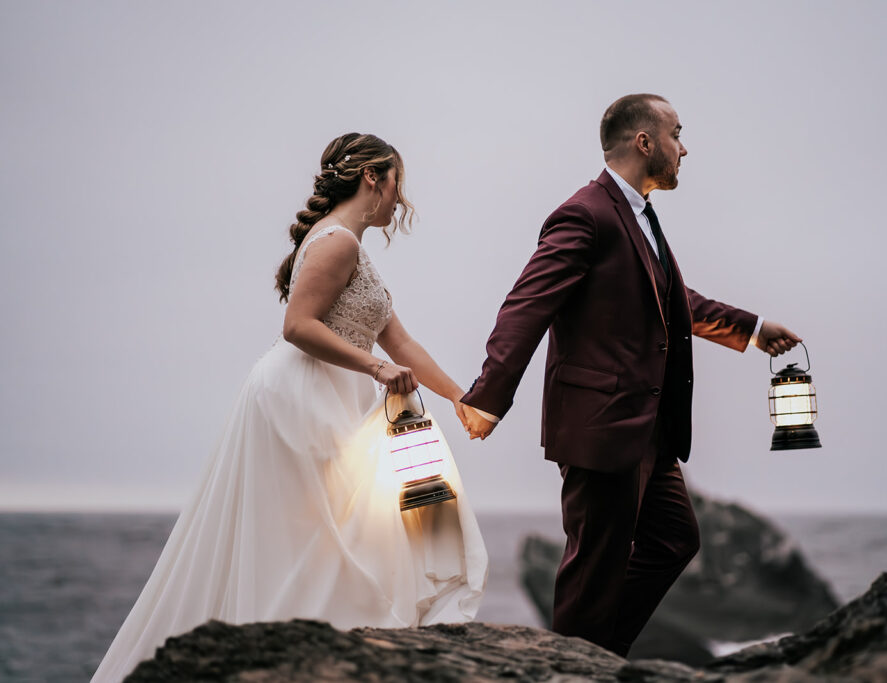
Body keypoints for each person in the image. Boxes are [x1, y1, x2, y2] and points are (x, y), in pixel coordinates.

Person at [92, 133, 487, 682]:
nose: (401, 198)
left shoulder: (352, 246)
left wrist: (461, 398)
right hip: (300, 399)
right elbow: (297, 326)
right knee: (317, 539)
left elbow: (401, 344)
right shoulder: (337, 243)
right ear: (373, 177)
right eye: (397, 181)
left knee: (333, 536)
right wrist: (374, 369)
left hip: (331, 393)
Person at [460, 94, 800, 657]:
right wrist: (490, 396)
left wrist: (753, 328)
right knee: (594, 566)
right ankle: (576, 662)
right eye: (676, 133)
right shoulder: (584, 213)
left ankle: (599, 652)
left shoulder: (642, 214)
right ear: (644, 142)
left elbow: (674, 298)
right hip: (600, 425)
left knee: (674, 539)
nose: (684, 147)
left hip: (648, 430)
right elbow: (525, 305)